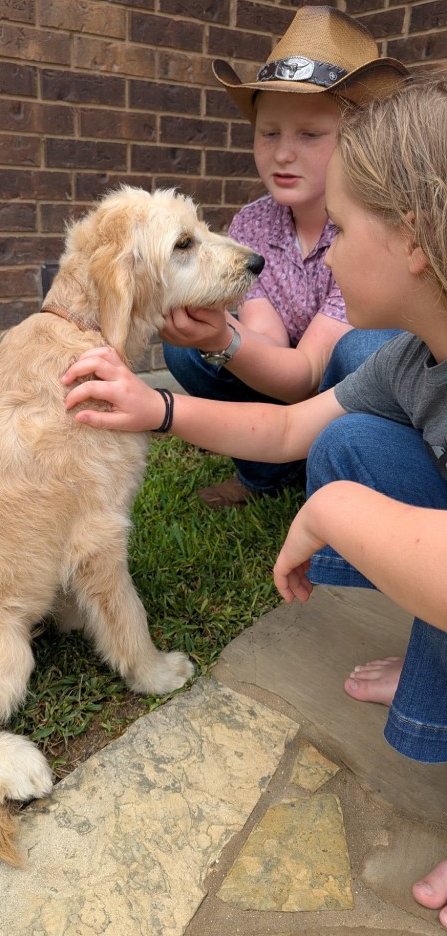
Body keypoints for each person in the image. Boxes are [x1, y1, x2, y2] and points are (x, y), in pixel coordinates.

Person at [62, 71, 447, 927]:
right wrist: (157, 408)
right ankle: (433, 657)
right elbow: (286, 426)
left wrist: (334, 512)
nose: (326, 255)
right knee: (349, 441)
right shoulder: (412, 358)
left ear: (413, 240)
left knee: (351, 476)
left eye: (343, 231)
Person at [160, 5, 406, 506]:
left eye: (309, 134)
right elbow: (267, 343)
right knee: (188, 352)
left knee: (362, 350)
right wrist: (216, 334)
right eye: (269, 132)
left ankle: (348, 473)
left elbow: (309, 374)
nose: (282, 153)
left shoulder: (371, 230)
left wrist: (225, 339)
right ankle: (268, 474)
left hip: (349, 387)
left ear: (359, 142)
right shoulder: (255, 224)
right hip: (288, 379)